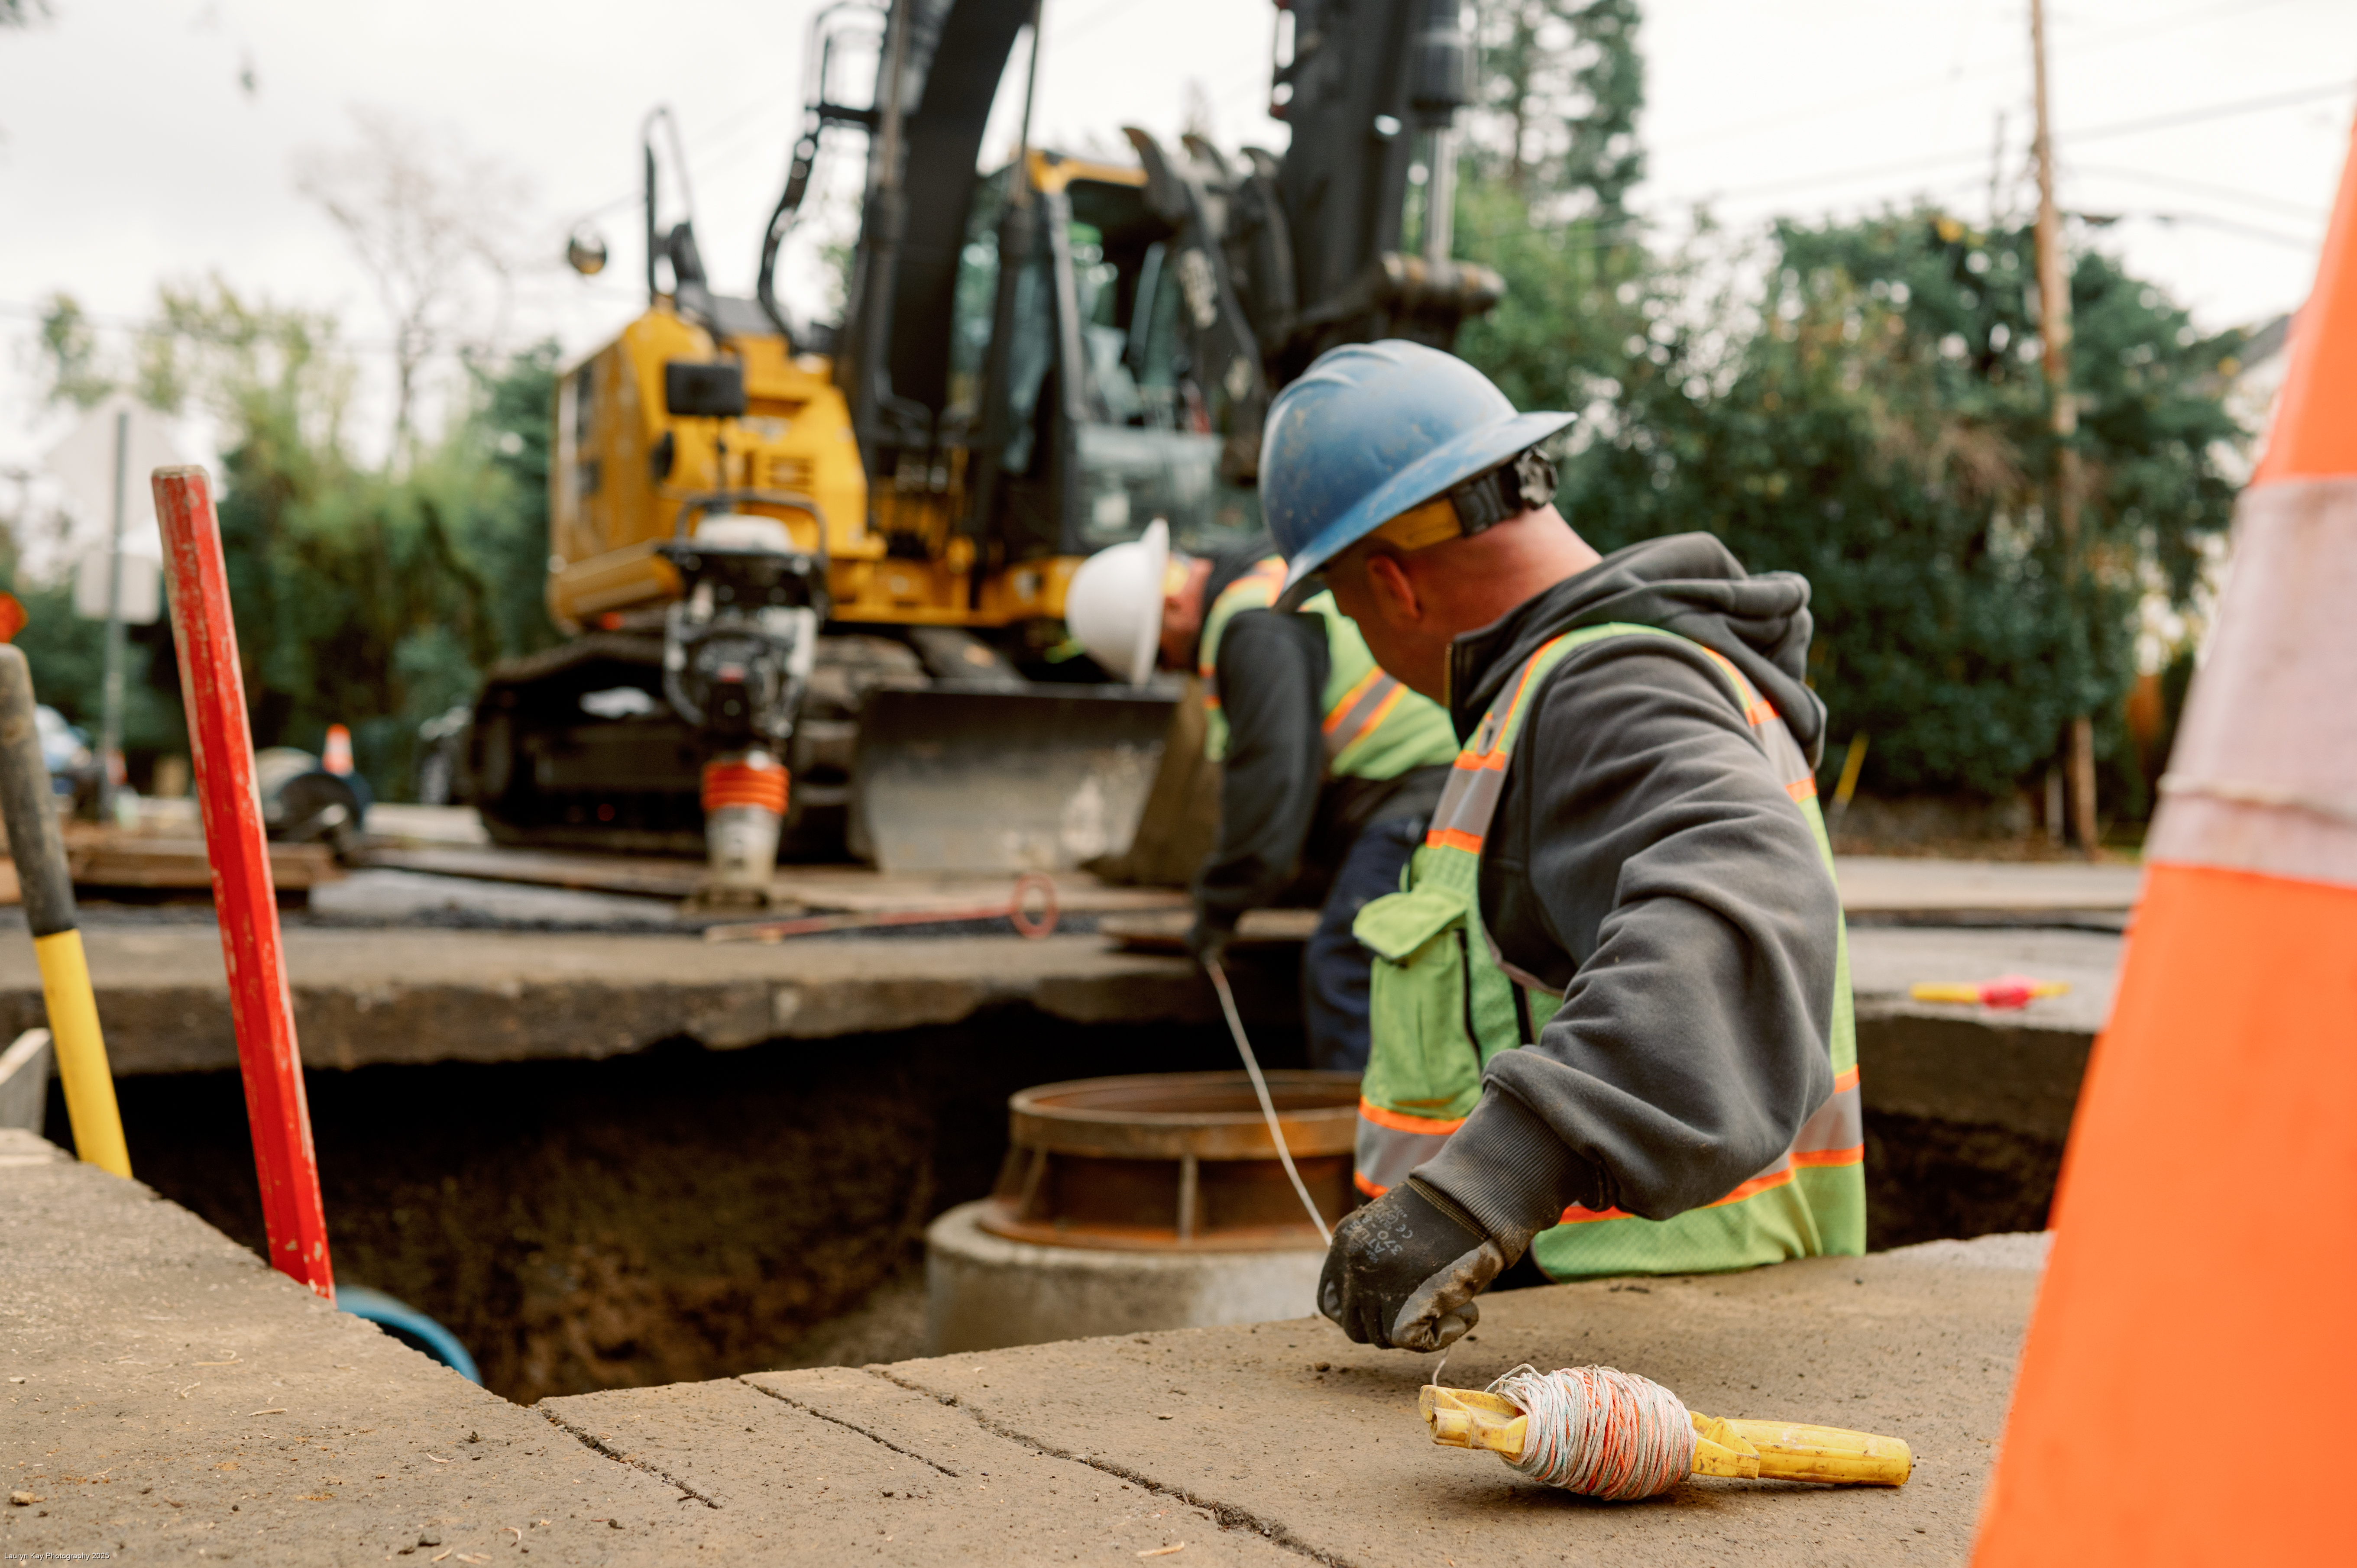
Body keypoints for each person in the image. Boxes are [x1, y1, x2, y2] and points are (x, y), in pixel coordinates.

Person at [1257, 340, 1864, 1352]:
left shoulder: (1603, 691)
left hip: (1640, 1345)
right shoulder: (1621, 679)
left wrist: (1477, 1189)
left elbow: (1745, 889)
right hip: (1642, 1338)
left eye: (1349, 609)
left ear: (1396, 588)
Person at [1064, 519, 1461, 1072]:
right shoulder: (1267, 583)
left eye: (1162, 654)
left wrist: (1218, 909)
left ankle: (1359, 1149)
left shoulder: (1253, 627)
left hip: (1420, 793)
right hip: (1423, 785)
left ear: (1175, 608)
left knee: (1345, 965)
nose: (1175, 668)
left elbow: (1273, 782)